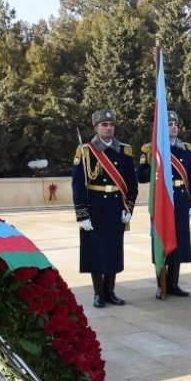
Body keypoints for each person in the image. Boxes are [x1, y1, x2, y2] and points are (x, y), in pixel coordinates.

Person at [72, 109, 138, 308]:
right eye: (104, 125)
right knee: (95, 250)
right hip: (94, 206)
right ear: (96, 128)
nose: (109, 128)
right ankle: (98, 292)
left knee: (113, 249)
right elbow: (78, 184)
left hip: (115, 206)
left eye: (111, 124)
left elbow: (132, 184)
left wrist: (128, 208)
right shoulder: (85, 151)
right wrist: (82, 213)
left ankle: (110, 291)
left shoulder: (125, 151)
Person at [137, 110, 191, 298]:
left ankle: (173, 283)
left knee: (177, 241)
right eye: (169, 124)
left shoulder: (185, 150)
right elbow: (140, 177)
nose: (174, 127)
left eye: (176, 124)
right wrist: (154, 166)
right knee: (161, 241)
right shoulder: (150, 149)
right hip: (162, 200)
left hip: (179, 199)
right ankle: (160, 284)